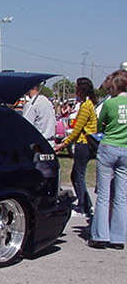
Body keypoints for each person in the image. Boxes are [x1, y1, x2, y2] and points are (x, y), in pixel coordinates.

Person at [88, 70, 127, 249]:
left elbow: (100, 124)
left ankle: (100, 235)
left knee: (104, 195)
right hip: (125, 148)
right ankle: (118, 238)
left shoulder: (110, 103)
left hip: (108, 147)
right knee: (121, 196)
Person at [54, 78, 98, 217]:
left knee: (79, 176)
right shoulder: (87, 104)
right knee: (76, 175)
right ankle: (86, 204)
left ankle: (83, 207)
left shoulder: (85, 106)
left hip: (83, 144)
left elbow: (77, 130)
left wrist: (63, 144)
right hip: (83, 144)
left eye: (77, 88)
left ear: (81, 90)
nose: (75, 90)